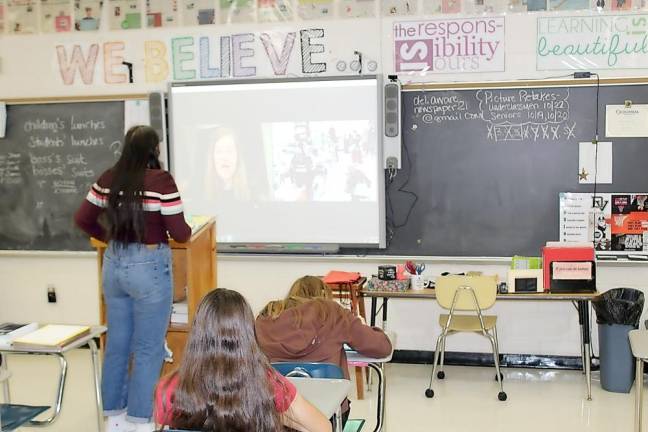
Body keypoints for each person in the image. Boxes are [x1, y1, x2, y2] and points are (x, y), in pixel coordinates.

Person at [74, 125, 191, 432]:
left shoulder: (108, 178)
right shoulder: (161, 181)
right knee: (149, 347)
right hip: (149, 267)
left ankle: (113, 419)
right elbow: (181, 232)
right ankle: (140, 421)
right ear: (155, 150)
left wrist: (111, 236)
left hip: (114, 263)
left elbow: (82, 218)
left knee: (117, 345)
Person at [154, 288, 332, 432]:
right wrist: (276, 414)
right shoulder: (268, 384)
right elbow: (323, 428)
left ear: (197, 335)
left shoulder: (169, 388)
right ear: (247, 334)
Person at [255, 276, 392, 426]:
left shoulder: (267, 316)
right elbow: (382, 347)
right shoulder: (332, 312)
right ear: (324, 294)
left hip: (279, 415)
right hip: (330, 416)